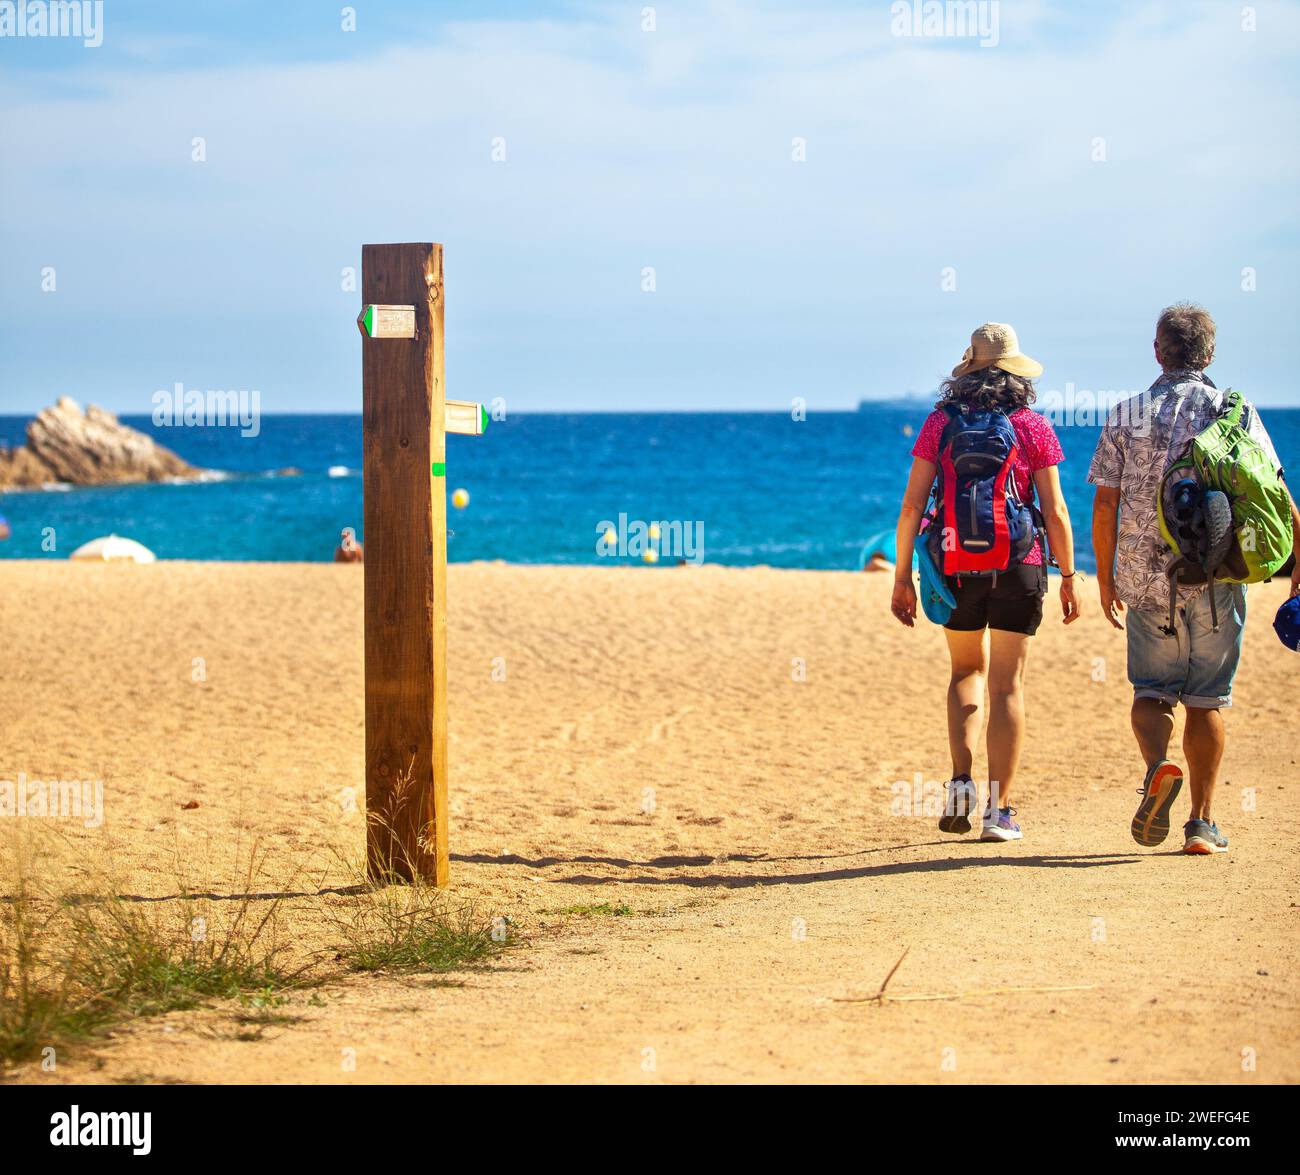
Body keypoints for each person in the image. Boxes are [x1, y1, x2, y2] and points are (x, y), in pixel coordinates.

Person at [1089, 303, 1300, 855]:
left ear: (1157, 350)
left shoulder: (1126, 413)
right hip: (1214, 576)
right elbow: (1273, 488)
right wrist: (1298, 559)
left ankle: (1160, 767)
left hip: (1143, 580)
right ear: (1210, 354)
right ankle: (1202, 825)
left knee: (1151, 692)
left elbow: (1105, 504)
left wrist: (1106, 581)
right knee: (1208, 700)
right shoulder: (1234, 410)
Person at [891, 323, 1081, 842]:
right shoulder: (1032, 426)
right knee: (1007, 685)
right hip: (1021, 562)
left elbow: (912, 506)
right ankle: (999, 812)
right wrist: (1068, 575)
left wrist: (902, 576)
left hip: (954, 564)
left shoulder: (939, 423)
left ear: (969, 370)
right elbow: (1057, 510)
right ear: (1015, 372)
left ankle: (959, 784)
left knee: (964, 672)